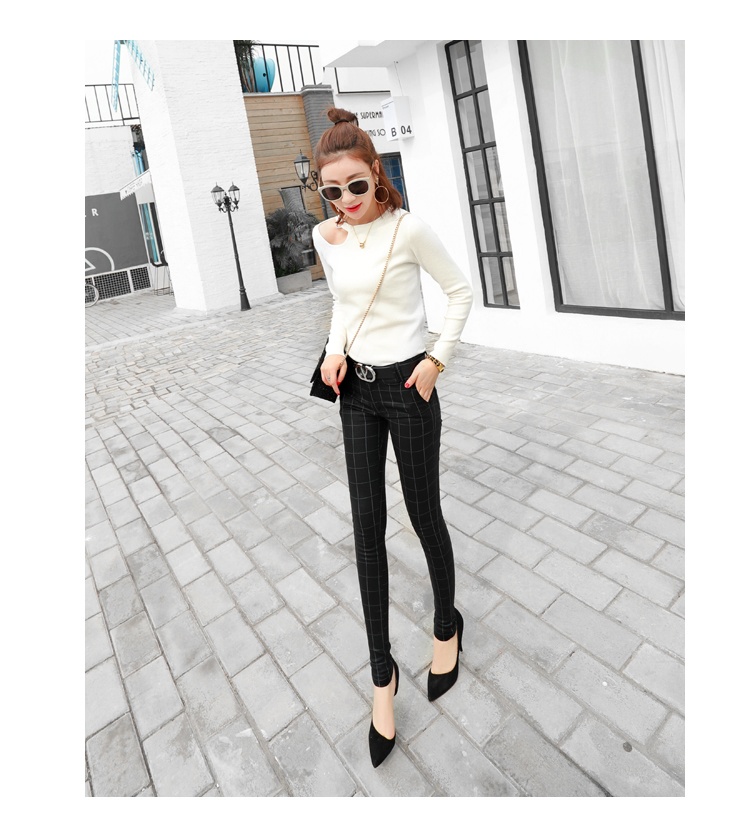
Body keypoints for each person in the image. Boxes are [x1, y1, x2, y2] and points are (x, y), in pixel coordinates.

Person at [311, 107, 473, 768]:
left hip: (409, 385)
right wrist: (334, 350)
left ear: (376, 173)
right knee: (365, 530)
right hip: (356, 390)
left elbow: (459, 292)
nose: (346, 200)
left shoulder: (409, 230)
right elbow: (342, 303)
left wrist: (436, 361)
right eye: (332, 190)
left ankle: (446, 626)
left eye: (356, 185)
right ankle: (382, 677)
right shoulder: (327, 236)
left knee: (423, 513)